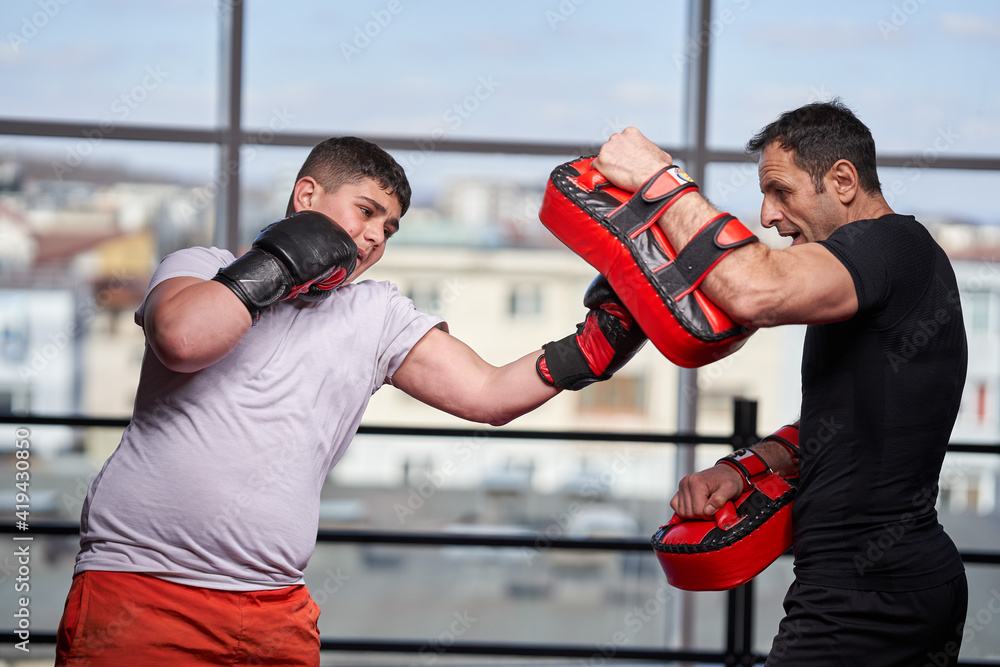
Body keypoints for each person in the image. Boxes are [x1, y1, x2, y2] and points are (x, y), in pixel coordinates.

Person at [54, 136, 647, 666]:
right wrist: (285, 260)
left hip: (272, 611)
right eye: (366, 212)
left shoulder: (377, 313)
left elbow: (488, 394)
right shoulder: (202, 267)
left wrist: (603, 338)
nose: (372, 237)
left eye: (388, 230)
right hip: (144, 590)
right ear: (306, 195)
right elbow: (184, 340)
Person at [593, 100, 968, 666]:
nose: (767, 216)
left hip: (864, 597)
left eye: (781, 191)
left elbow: (753, 291)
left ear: (842, 180)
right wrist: (744, 467)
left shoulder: (887, 248)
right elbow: (846, 424)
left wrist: (656, 179)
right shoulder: (874, 272)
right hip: (893, 582)